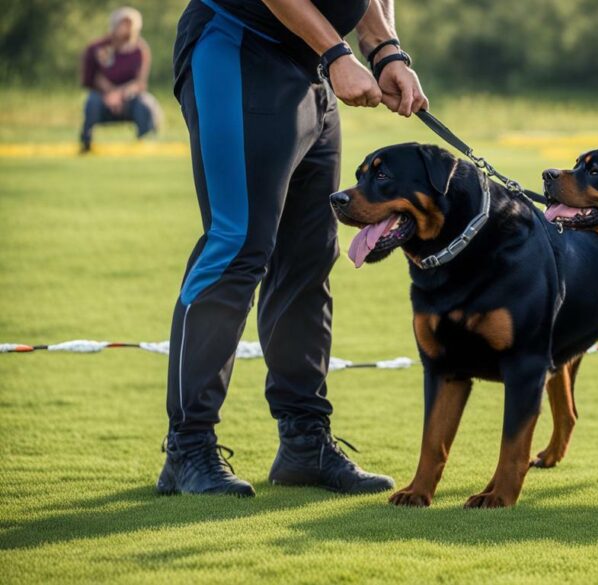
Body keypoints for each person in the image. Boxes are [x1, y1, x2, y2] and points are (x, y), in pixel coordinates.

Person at [156, 0, 428, 498]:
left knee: (308, 258)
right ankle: (187, 447)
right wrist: (336, 52)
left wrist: (387, 51)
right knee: (236, 244)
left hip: (310, 67)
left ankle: (304, 441)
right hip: (240, 49)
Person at [80, 7, 163, 153]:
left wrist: (120, 94)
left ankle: (144, 143)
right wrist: (110, 93)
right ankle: (86, 141)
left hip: (129, 97)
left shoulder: (140, 50)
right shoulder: (98, 48)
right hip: (103, 96)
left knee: (146, 104)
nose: (128, 29)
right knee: (91, 102)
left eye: (131, 25)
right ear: (114, 25)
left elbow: (140, 82)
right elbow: (93, 77)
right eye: (124, 24)